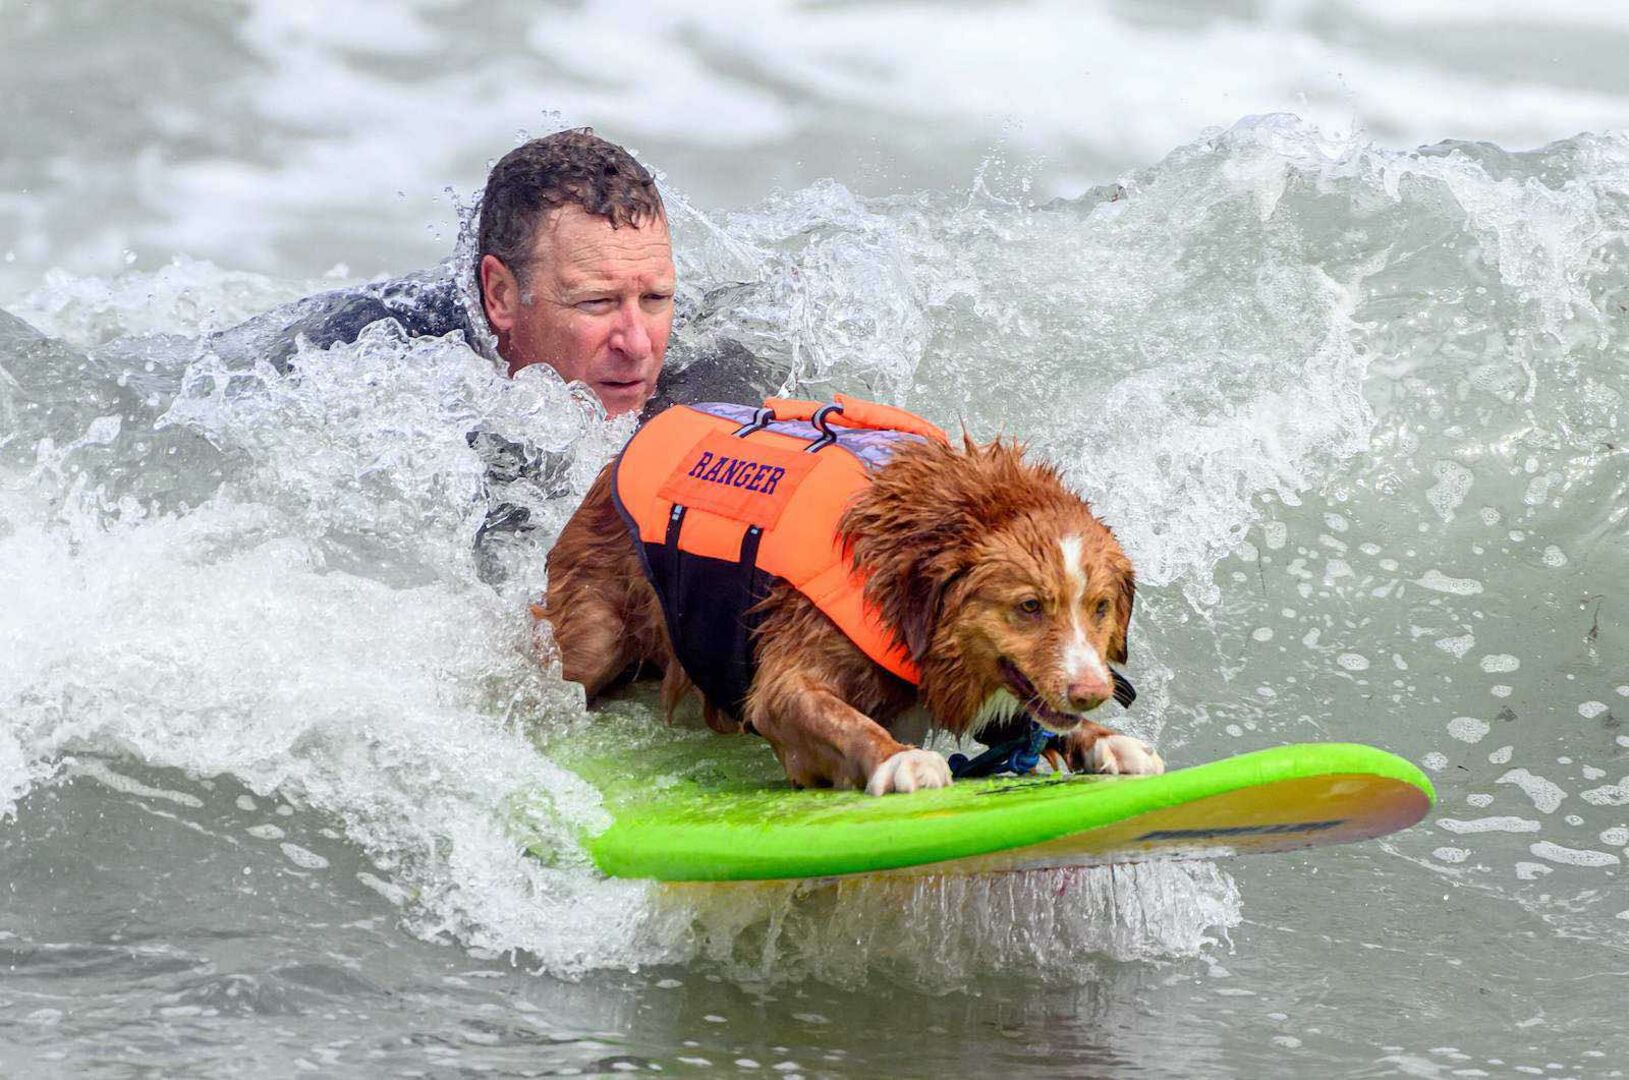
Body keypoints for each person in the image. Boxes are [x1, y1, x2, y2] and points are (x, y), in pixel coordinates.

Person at [213, 127, 768, 420]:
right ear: (501, 294)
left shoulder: (714, 366)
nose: (637, 343)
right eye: (595, 302)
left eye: (655, 297)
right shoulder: (378, 367)